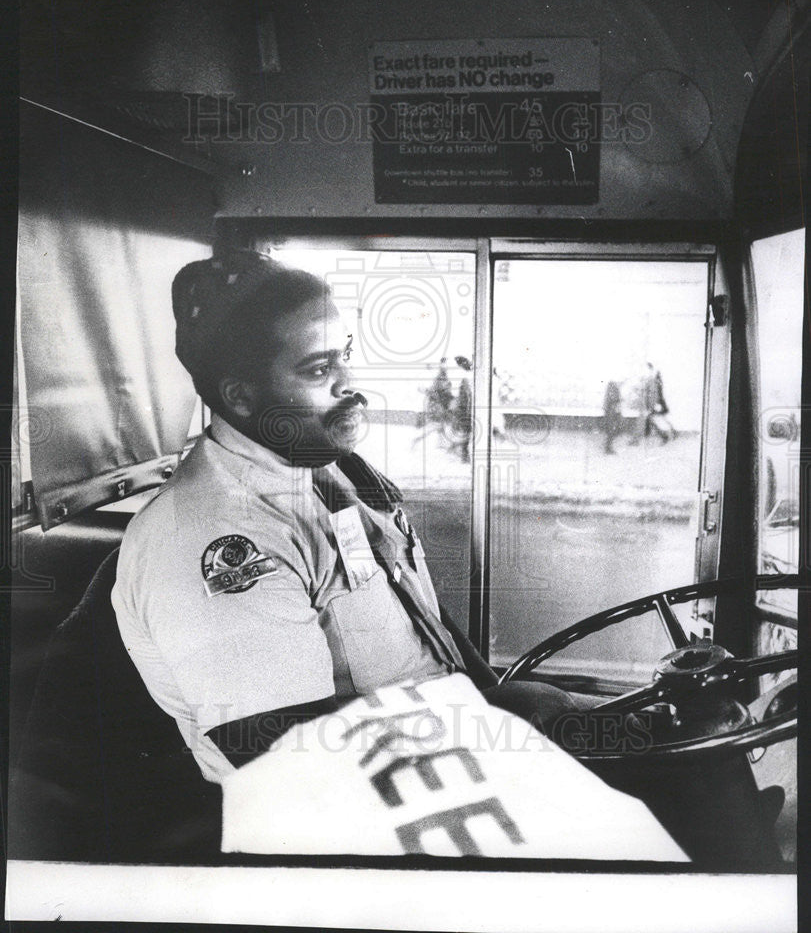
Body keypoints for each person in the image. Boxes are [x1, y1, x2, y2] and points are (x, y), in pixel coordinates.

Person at [111, 250, 576, 784]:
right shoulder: (211, 532)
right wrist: (496, 722)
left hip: (443, 761)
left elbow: (417, 607)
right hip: (346, 814)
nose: (349, 384)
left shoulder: (330, 470)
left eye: (344, 358)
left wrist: (490, 695)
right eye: (318, 369)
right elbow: (278, 753)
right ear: (240, 396)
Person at [601, 379, 622, 454]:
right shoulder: (613, 387)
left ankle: (608, 447)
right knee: (611, 431)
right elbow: (614, 400)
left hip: (611, 412)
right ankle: (608, 448)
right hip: (612, 413)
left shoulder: (611, 388)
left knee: (611, 431)